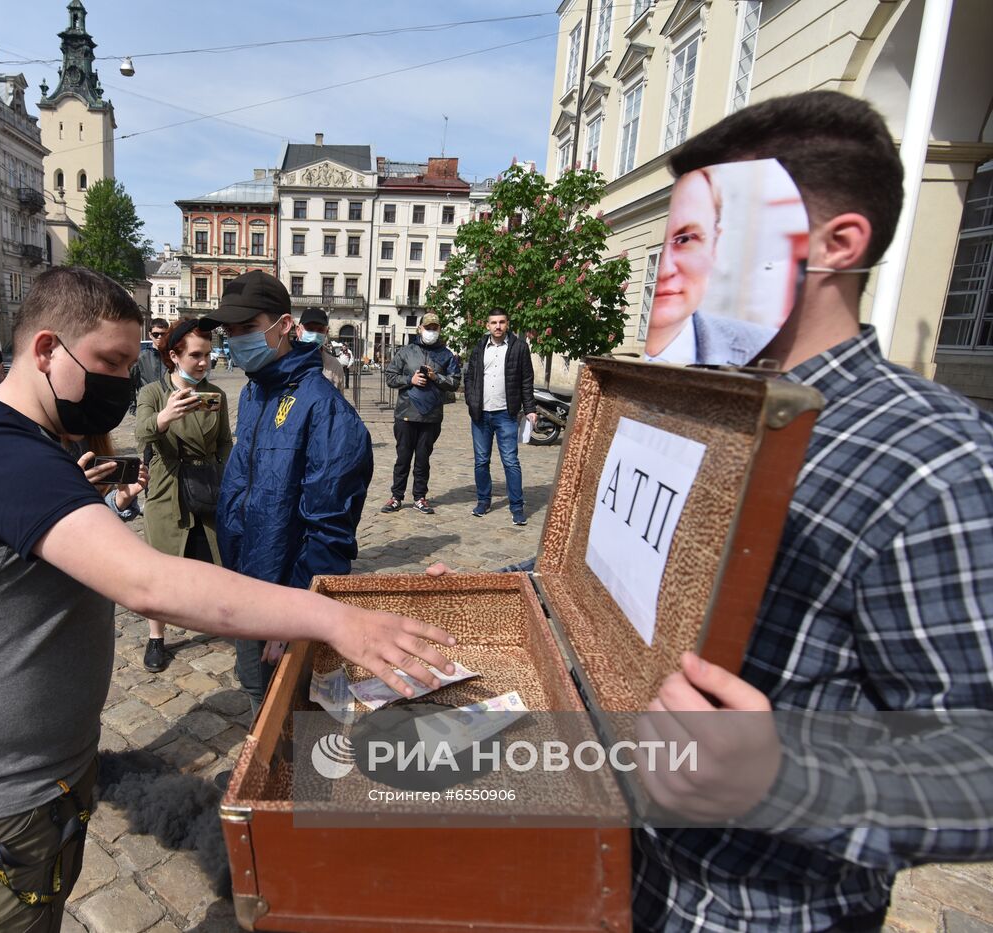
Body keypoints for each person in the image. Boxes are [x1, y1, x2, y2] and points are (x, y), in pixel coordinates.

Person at [447, 91, 993, 931]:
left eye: (700, 236)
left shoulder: (936, 465)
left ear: (835, 244)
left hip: (740, 907)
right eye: (673, 235)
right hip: (599, 869)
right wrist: (489, 595)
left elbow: (976, 763)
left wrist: (778, 773)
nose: (669, 265)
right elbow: (590, 581)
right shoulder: (678, 407)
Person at [0, 265, 455, 932]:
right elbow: (149, 583)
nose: (121, 380)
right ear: (45, 349)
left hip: (39, 785)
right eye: (110, 362)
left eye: (127, 363)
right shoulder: (2, 454)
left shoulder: (35, 447)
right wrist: (335, 618)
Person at [200, 270, 375, 713]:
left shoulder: (324, 407)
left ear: (283, 326)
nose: (237, 340)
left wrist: (297, 613)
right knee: (254, 684)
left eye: (248, 327)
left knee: (287, 703)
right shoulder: (254, 392)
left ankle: (280, 757)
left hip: (285, 597)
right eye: (230, 331)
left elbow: (330, 530)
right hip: (245, 581)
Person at [134, 318, 232, 673]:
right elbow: (142, 433)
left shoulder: (215, 395)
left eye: (208, 354)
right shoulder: (153, 393)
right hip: (169, 486)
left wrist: (227, 476)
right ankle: (156, 637)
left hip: (207, 485)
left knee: (214, 559)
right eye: (195, 355)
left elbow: (224, 442)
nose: (204, 362)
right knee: (160, 567)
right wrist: (165, 417)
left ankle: (222, 621)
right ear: (174, 356)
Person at [646, 167, 778, 365]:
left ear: (714, 245)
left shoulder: (765, 348)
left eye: (685, 239)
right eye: (659, 247)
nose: (664, 270)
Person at [380, 312, 461, 515]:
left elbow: (455, 382)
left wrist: (436, 377)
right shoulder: (406, 352)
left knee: (423, 459)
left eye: (435, 328)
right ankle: (396, 497)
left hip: (431, 416)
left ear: (439, 330)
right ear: (420, 329)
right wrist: (410, 380)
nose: (431, 331)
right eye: (428, 328)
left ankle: (420, 497)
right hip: (406, 414)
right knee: (403, 458)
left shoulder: (446, 355)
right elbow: (390, 377)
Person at [461, 309, 535, 526]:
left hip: (506, 413)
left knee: (511, 461)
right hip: (481, 414)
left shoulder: (519, 347)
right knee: (481, 461)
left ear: (507, 324)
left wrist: (530, 409)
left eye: (502, 322)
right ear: (488, 325)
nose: (498, 326)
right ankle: (483, 501)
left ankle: (517, 507)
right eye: (494, 322)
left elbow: (526, 380)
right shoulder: (479, 348)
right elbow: (470, 376)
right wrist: (471, 400)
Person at [294, 306, 346, 390]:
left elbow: (338, 396)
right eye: (310, 329)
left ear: (326, 332)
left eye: (320, 329)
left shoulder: (334, 365)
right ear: (298, 330)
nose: (315, 335)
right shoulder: (285, 359)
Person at [130, 317, 168, 410]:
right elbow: (130, 386)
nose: (159, 337)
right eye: (156, 334)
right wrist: (134, 409)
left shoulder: (174, 356)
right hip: (147, 406)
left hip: (169, 407)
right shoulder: (140, 358)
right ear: (150, 335)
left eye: (163, 334)